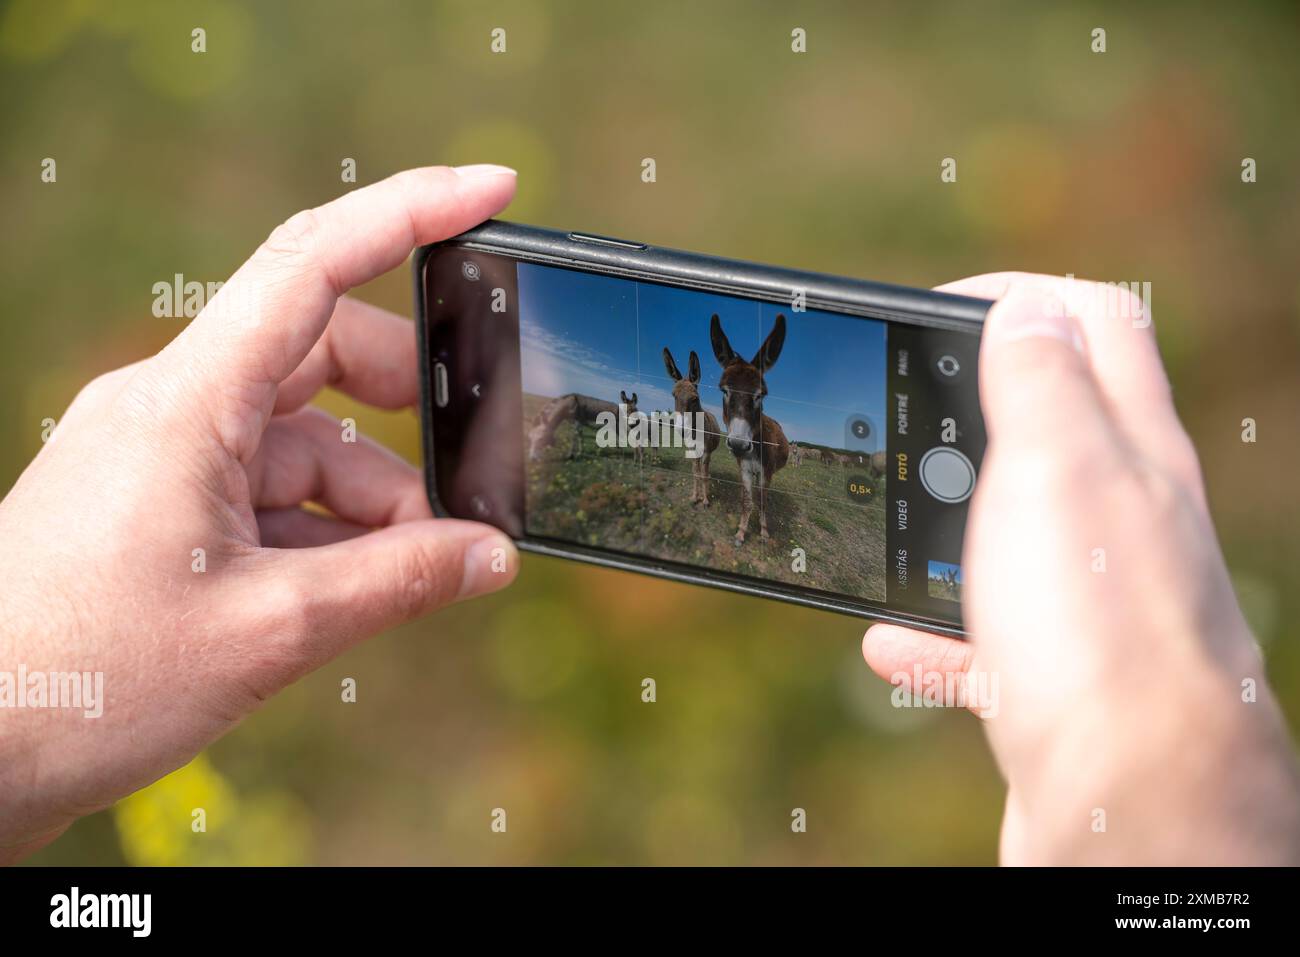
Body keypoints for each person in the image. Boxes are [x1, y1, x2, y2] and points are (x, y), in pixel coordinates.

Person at [0, 167, 1296, 865]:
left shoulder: (756, 408)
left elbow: (749, 395)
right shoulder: (701, 396)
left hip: (760, 454)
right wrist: (1170, 780)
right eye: (717, 375)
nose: (724, 383)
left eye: (732, 376)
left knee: (747, 468)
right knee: (717, 467)